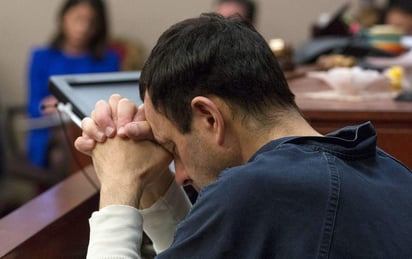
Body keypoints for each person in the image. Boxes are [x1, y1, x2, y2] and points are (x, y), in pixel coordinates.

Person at [75, 13, 412, 258]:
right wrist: (154, 185)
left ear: (209, 117)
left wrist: (119, 184)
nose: (181, 173)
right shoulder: (386, 170)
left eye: (173, 147)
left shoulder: (260, 188)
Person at [27, 0, 120, 173]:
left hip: (93, 130)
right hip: (50, 132)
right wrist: (49, 105)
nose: (83, 28)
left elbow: (110, 102)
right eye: (78, 19)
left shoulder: (108, 59)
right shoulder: (41, 56)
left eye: (91, 22)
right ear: (63, 18)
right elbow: (34, 105)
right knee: (67, 145)